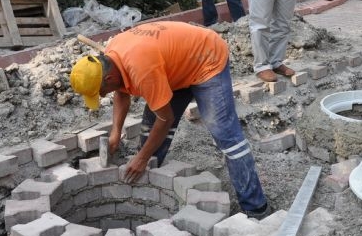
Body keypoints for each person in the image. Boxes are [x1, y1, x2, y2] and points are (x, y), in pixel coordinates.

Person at [69, 21, 271, 219]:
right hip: (175, 66)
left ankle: (255, 207)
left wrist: (141, 158)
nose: (102, 96)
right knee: (149, 134)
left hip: (206, 58)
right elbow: (121, 93)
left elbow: (166, 119)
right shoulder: (110, 58)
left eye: (100, 92)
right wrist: (115, 134)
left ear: (108, 79)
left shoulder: (142, 70)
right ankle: (149, 185)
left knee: (225, 134)